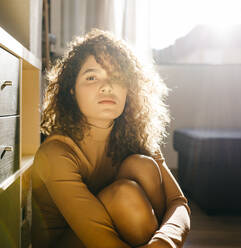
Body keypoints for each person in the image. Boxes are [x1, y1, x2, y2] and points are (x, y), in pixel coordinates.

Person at [32, 29, 191, 248]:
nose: (106, 86)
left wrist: (164, 242)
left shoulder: (135, 135)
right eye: (92, 77)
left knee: (141, 165)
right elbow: (100, 239)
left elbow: (178, 203)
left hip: (135, 238)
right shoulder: (56, 153)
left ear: (129, 89)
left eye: (116, 77)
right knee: (124, 196)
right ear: (71, 91)